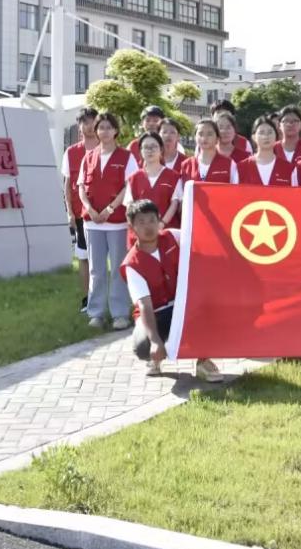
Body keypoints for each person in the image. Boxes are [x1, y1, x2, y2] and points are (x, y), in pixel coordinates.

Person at [121, 199, 222, 381]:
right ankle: (155, 357)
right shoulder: (131, 264)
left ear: (159, 220)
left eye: (152, 220)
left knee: (215, 311)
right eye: (141, 222)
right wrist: (154, 341)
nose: (148, 226)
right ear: (132, 226)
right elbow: (145, 306)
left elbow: (201, 239)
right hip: (157, 313)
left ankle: (203, 360)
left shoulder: (173, 236)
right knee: (142, 346)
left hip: (185, 306)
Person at [77, 112, 138, 330]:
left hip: (117, 222)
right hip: (92, 223)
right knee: (96, 269)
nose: (104, 131)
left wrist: (111, 208)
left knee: (118, 269)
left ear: (116, 131)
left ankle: (120, 313)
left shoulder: (126, 157)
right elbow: (81, 187)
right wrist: (90, 209)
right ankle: (96, 313)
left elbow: (129, 186)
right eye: (100, 127)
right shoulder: (88, 157)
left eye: (108, 127)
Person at [60, 107, 99, 313]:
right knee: (83, 257)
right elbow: (67, 185)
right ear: (79, 126)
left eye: (92, 121)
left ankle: (103, 298)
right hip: (81, 213)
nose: (89, 126)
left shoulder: (107, 149)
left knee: (100, 260)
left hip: (106, 214)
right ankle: (87, 299)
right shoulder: (72, 152)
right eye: (85, 122)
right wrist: (69, 213)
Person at [126, 131, 181, 247]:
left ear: (161, 149)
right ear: (140, 151)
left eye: (154, 147)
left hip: (166, 232)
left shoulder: (174, 176)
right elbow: (130, 206)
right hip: (140, 234)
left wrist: (161, 224)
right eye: (146, 147)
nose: (150, 150)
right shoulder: (134, 178)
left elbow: (174, 203)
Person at [238, 116, 298, 186]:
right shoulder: (241, 168)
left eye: (270, 132)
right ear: (254, 137)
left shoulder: (289, 169)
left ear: (276, 136)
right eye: (261, 133)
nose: (266, 136)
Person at [181, 119, 239, 184]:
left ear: (217, 139)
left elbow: (236, 188)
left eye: (209, 134)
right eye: (200, 134)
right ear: (195, 138)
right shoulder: (186, 165)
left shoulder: (229, 164)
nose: (204, 138)